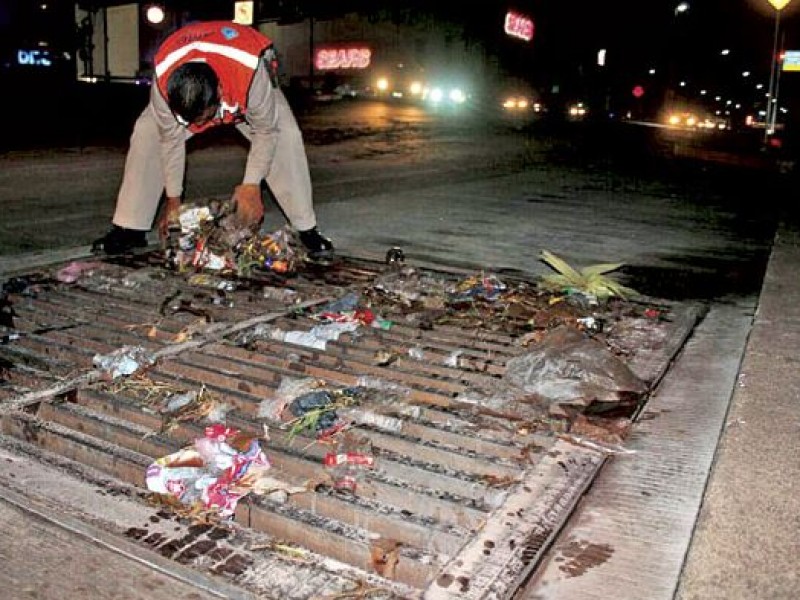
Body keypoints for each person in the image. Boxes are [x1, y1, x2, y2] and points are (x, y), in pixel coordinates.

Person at [93, 20, 334, 264]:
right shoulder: (163, 84)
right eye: (190, 120)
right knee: (148, 132)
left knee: (286, 135)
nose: (198, 125)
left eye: (203, 118)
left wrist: (251, 185)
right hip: (199, 90)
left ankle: (306, 229)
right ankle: (129, 228)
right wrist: (173, 201)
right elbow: (171, 140)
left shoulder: (249, 73)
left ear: (219, 90)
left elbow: (266, 131)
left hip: (245, 90)